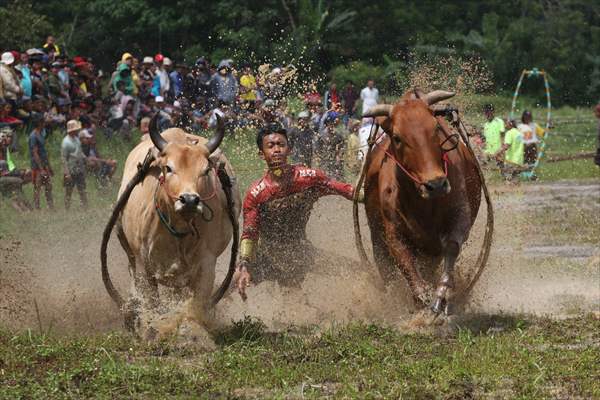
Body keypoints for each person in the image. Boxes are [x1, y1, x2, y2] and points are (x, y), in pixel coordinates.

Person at [233, 123, 356, 298]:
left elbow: (344, 189)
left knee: (355, 271)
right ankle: (199, 312)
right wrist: (244, 264)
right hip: (266, 256)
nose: (277, 150)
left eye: (281, 145)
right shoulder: (256, 193)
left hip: (301, 252)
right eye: (271, 146)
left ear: (289, 150)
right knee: (232, 281)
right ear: (261, 154)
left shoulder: (309, 178)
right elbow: (250, 233)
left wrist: (370, 197)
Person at [0, 127, 31, 211]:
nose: (10, 139)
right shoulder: (2, 150)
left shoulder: (5, 149)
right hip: (3, 178)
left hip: (6, 175)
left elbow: (9, 169)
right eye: (8, 137)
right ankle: (25, 210)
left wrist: (21, 171)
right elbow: (4, 172)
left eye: (10, 137)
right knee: (18, 183)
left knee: (18, 187)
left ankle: (27, 209)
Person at [28, 113, 54, 210]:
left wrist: (48, 166)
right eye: (43, 121)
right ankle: (37, 208)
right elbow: (35, 153)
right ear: (39, 123)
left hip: (44, 165)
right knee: (37, 187)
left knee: (48, 186)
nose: (45, 123)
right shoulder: (33, 136)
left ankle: (50, 206)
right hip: (37, 166)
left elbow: (43, 152)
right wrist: (41, 168)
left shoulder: (41, 133)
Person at [61, 120, 88, 209]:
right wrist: (67, 173)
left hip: (79, 168)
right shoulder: (65, 142)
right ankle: (67, 208)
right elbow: (64, 159)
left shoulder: (76, 139)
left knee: (82, 190)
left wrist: (85, 158)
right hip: (71, 170)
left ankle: (85, 207)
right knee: (69, 191)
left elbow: (79, 151)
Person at [316, 113, 345, 180]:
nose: (332, 126)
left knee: (337, 179)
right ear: (327, 124)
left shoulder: (338, 136)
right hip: (324, 161)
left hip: (335, 162)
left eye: (333, 124)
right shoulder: (321, 136)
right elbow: (317, 151)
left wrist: (339, 155)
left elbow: (341, 149)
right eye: (330, 123)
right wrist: (319, 159)